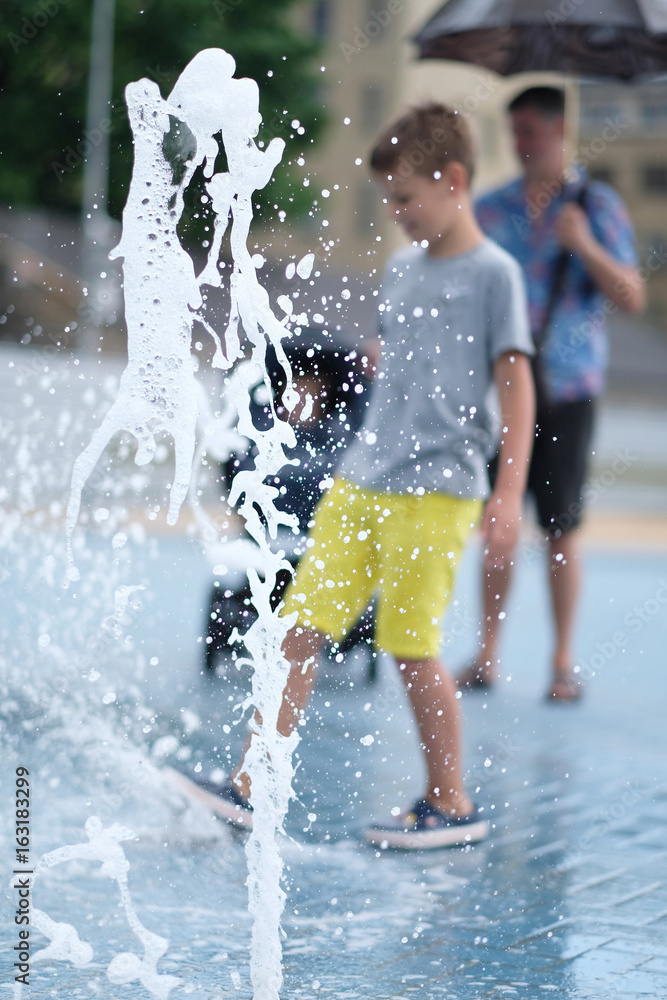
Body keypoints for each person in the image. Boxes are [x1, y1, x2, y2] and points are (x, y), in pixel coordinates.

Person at [181, 103, 535, 849]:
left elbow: (515, 386)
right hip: (360, 481)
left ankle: (450, 800)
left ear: (455, 180)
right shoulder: (402, 269)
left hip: (436, 493)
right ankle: (251, 786)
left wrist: (507, 495)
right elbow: (394, 360)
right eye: (389, 199)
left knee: (410, 645)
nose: (396, 213)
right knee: (296, 631)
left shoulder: (494, 275)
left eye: (406, 197)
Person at [456, 86, 644, 702]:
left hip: (566, 390)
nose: (521, 144)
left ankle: (562, 662)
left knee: (562, 527)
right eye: (514, 132)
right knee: (499, 522)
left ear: (560, 132)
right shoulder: (490, 208)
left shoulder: (597, 205)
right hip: (505, 393)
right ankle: (486, 654)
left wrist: (583, 243)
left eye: (532, 131)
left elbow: (632, 297)